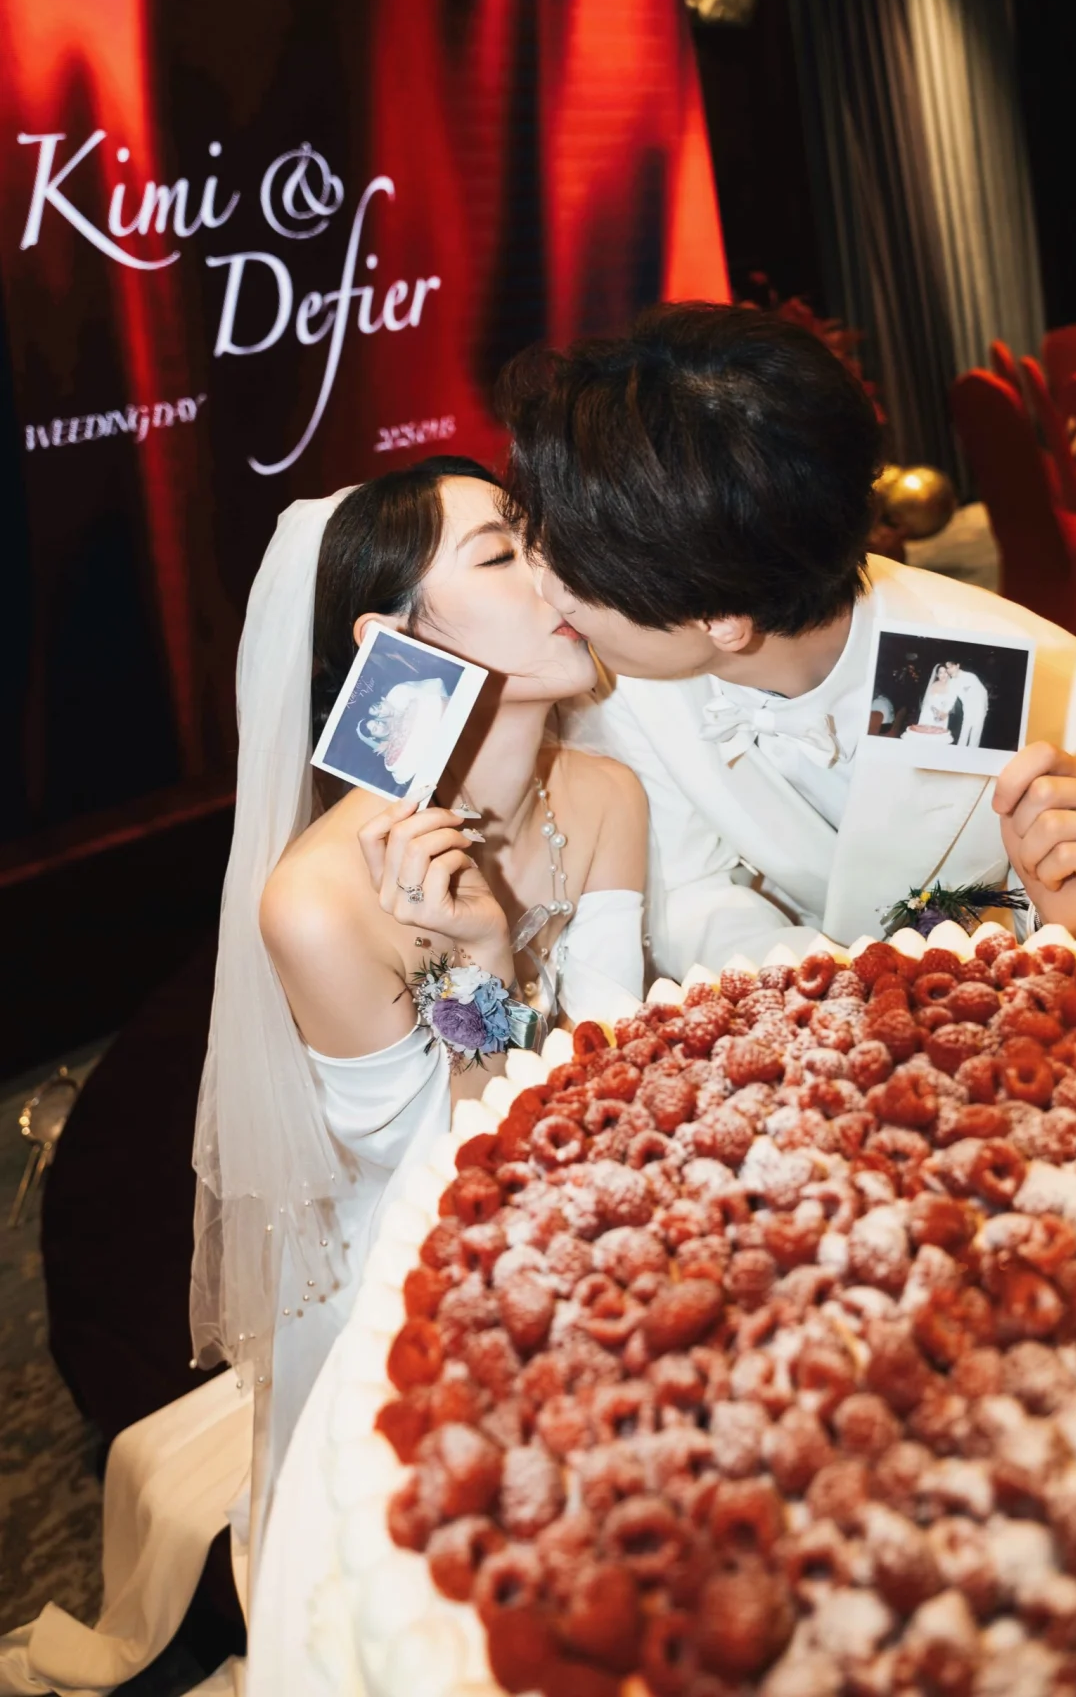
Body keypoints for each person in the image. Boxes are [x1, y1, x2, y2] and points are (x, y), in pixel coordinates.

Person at [192, 453, 648, 1565]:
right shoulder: (316, 903)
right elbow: (448, 1183)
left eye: (541, 539)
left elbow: (617, 1062)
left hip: (601, 1191)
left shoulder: (604, 795)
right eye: (503, 555)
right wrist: (481, 957)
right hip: (423, 1274)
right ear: (394, 640)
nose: (558, 572)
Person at [494, 302, 1076, 971]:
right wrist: (827, 987)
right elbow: (690, 889)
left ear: (722, 620)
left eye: (575, 565)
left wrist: (1059, 917)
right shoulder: (627, 671)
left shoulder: (1047, 689)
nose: (544, 583)